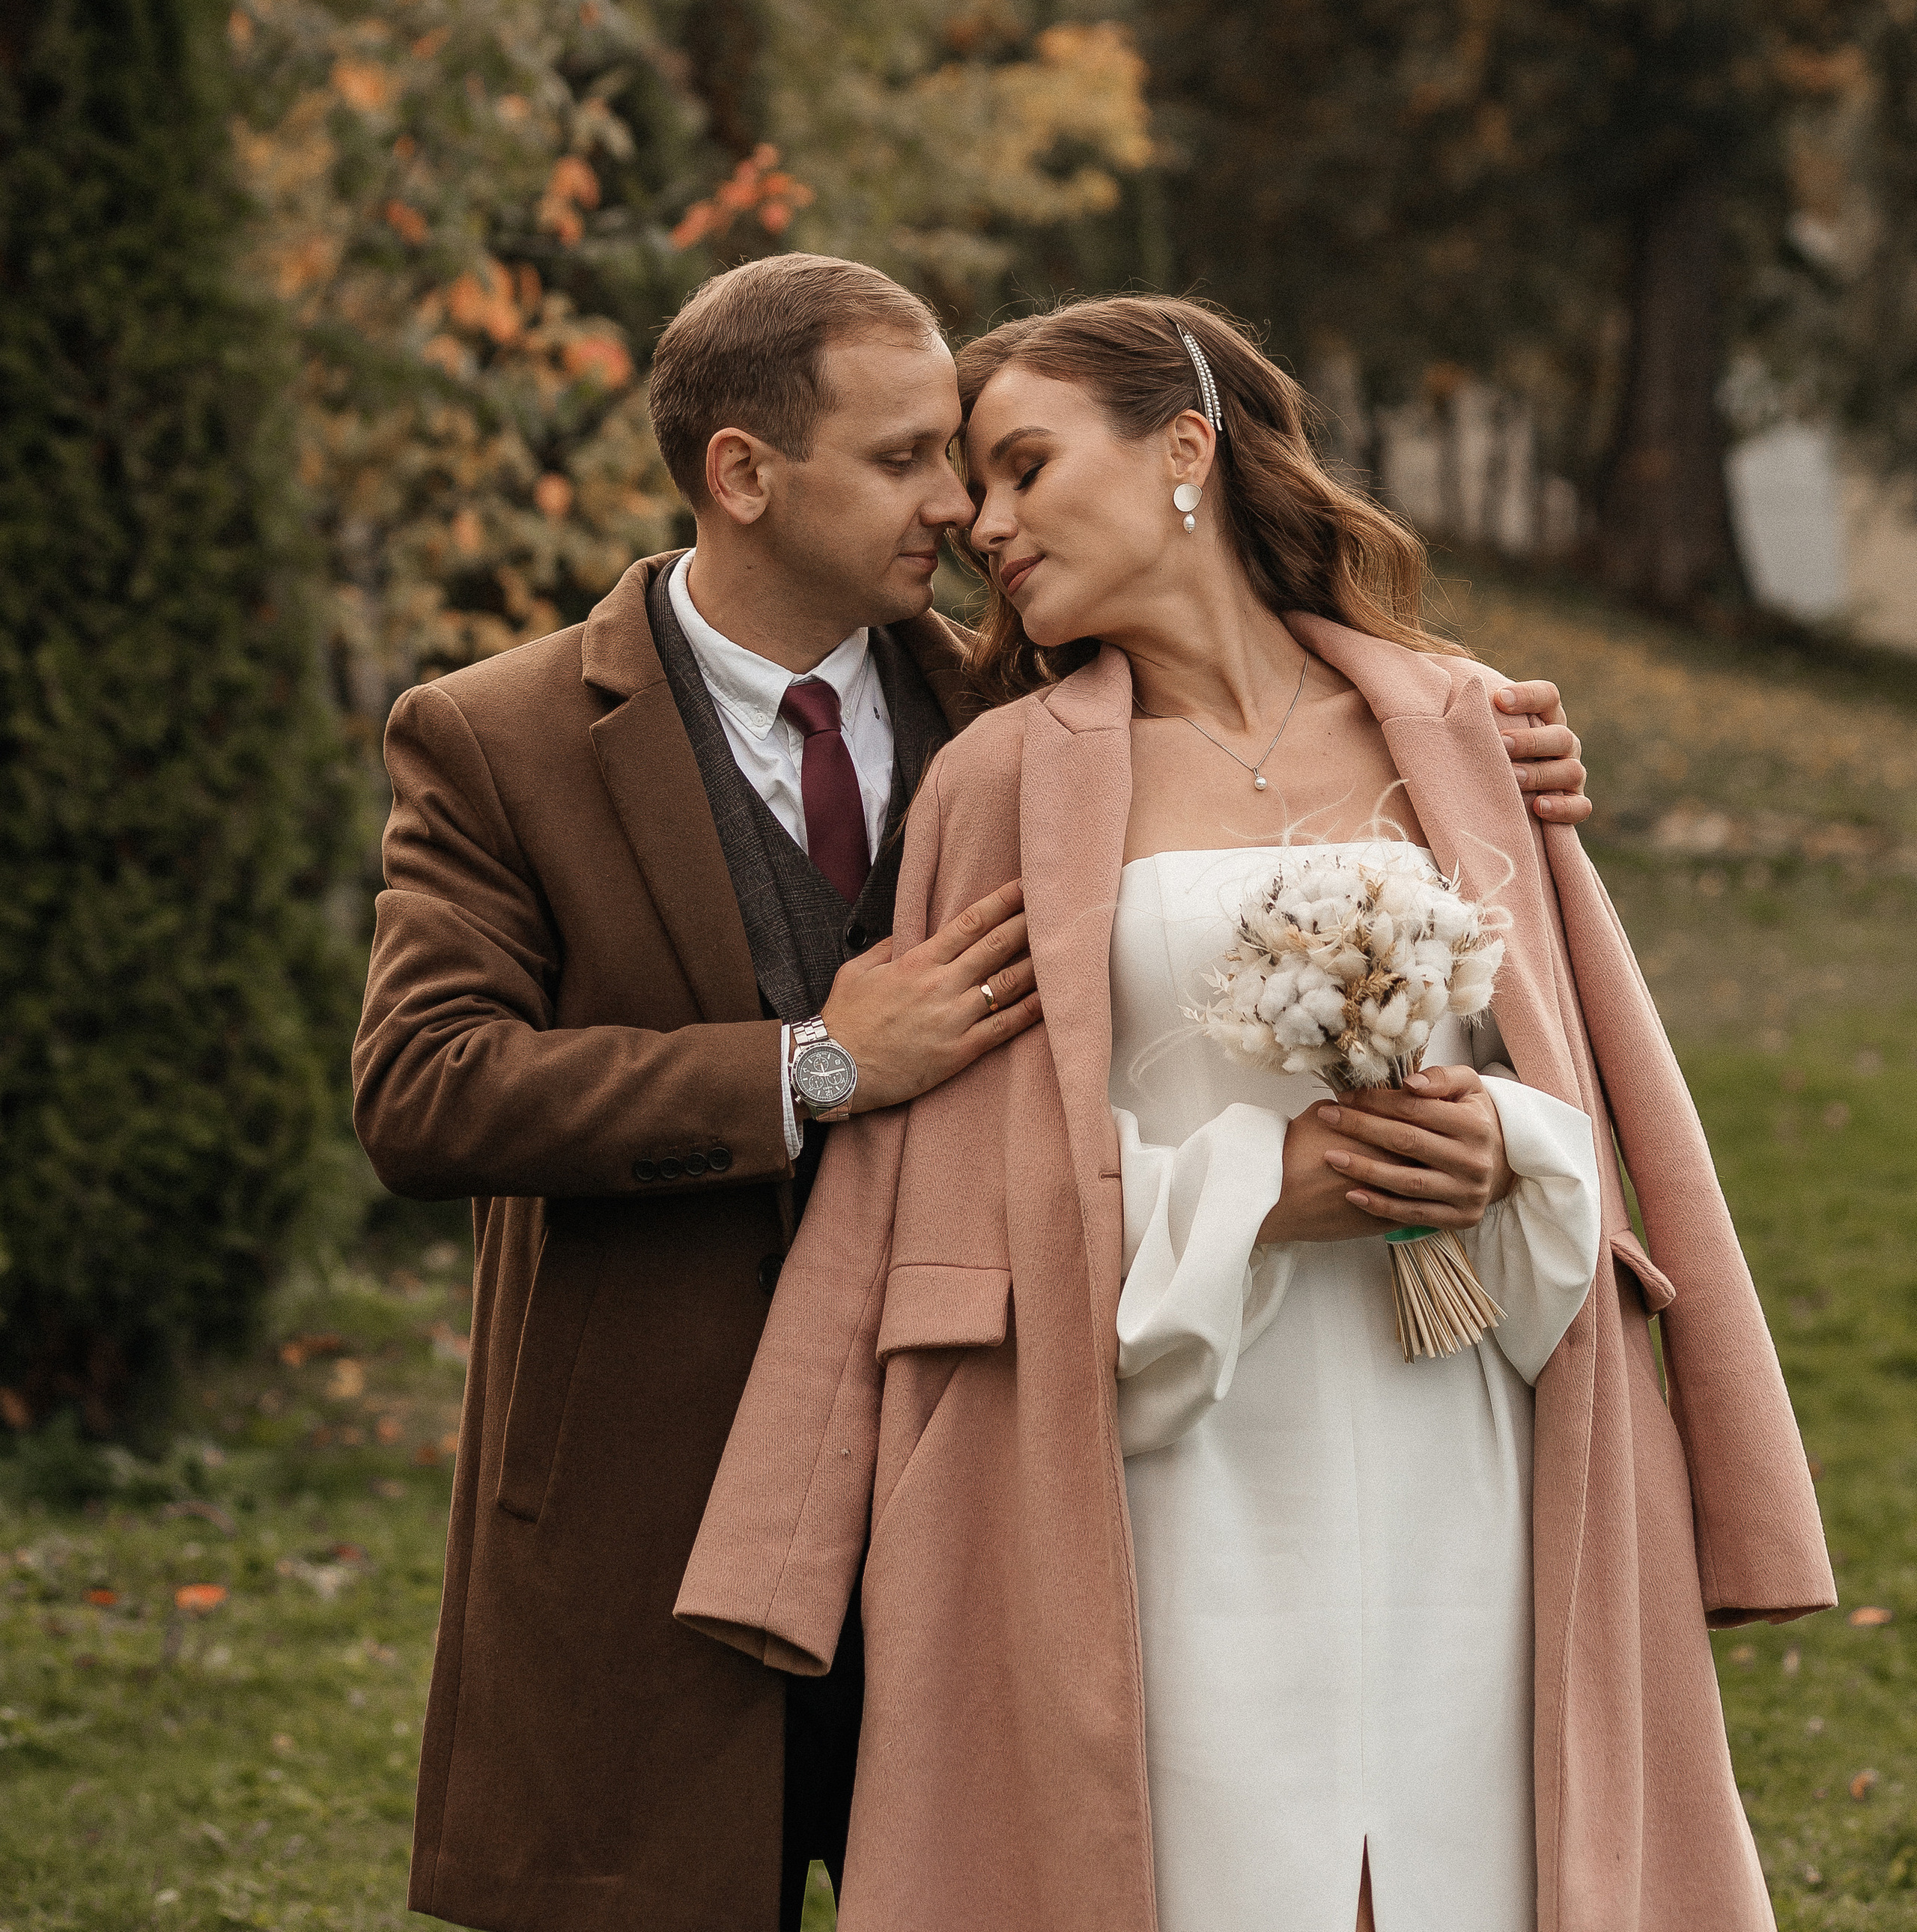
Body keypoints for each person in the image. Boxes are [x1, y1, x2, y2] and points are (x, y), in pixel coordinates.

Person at [353, 256, 1596, 1932]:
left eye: (971, 457)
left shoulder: (1019, 700)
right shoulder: (496, 737)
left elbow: (1254, 733)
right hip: (662, 1485)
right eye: (905, 460)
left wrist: (1477, 737)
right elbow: (424, 1090)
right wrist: (816, 1065)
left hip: (1006, 1455)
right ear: (743, 474)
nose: (955, 506)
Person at [678, 294, 1833, 1932]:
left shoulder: (1463, 729)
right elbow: (963, 1188)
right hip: (1168, 1433)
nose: (982, 525)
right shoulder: (1002, 780)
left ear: (1184, 449)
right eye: (971, 487)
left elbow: (1585, 1074)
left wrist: (1501, 1148)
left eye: (1022, 468)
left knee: (1475, 1860)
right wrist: (1255, 1191)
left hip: (1463, 1413)